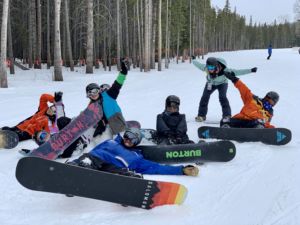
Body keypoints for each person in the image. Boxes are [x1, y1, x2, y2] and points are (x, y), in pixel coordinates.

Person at [69, 127, 199, 177]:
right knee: (91, 158)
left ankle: (129, 183)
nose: (128, 140)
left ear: (137, 142)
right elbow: (93, 152)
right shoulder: (111, 142)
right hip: (95, 162)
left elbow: (156, 168)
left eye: (132, 139)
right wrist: (77, 161)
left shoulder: (136, 156)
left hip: (113, 170)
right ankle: (73, 169)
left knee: (124, 173)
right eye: (127, 136)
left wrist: (180, 170)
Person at [192, 56, 257, 122]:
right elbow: (198, 64)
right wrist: (193, 59)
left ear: (216, 66)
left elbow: (238, 72)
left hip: (222, 84)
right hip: (211, 83)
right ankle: (201, 116)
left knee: (222, 97)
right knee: (204, 97)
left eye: (212, 67)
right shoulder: (206, 68)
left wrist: (251, 70)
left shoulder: (225, 70)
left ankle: (227, 116)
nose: (210, 69)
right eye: (208, 67)